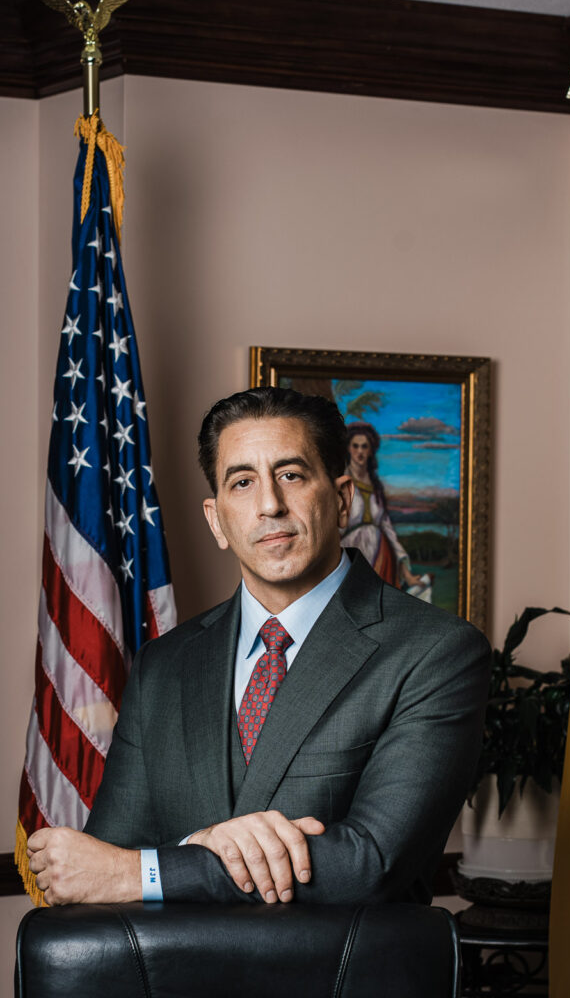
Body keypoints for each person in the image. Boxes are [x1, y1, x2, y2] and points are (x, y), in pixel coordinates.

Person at [27, 387, 491, 908]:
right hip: (177, 984)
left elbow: (372, 865)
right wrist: (186, 853)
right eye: (242, 482)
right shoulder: (164, 664)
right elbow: (108, 861)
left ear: (341, 500)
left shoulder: (436, 653)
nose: (269, 504)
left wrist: (157, 870)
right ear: (216, 519)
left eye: (291, 475)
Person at [342, 421, 424, 592]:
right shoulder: (340, 484)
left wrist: (406, 574)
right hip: (349, 556)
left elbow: (388, 530)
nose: (360, 452)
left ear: (371, 451)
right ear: (349, 449)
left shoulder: (377, 487)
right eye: (355, 446)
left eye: (364, 447)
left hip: (381, 554)